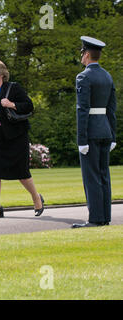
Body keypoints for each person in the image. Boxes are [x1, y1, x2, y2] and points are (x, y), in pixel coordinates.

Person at [0, 60, 44, 218]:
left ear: (1, 73)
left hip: (16, 137)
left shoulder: (13, 88)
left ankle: (37, 198)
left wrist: (12, 104)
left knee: (22, 173)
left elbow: (29, 106)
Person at [72, 36, 117, 228]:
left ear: (87, 54)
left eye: (82, 53)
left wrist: (81, 139)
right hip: (105, 130)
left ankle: (95, 219)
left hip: (91, 132)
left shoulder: (83, 76)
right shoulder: (107, 76)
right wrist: (113, 135)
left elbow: (82, 110)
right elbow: (111, 109)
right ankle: (104, 217)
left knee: (91, 177)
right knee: (103, 176)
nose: (81, 56)